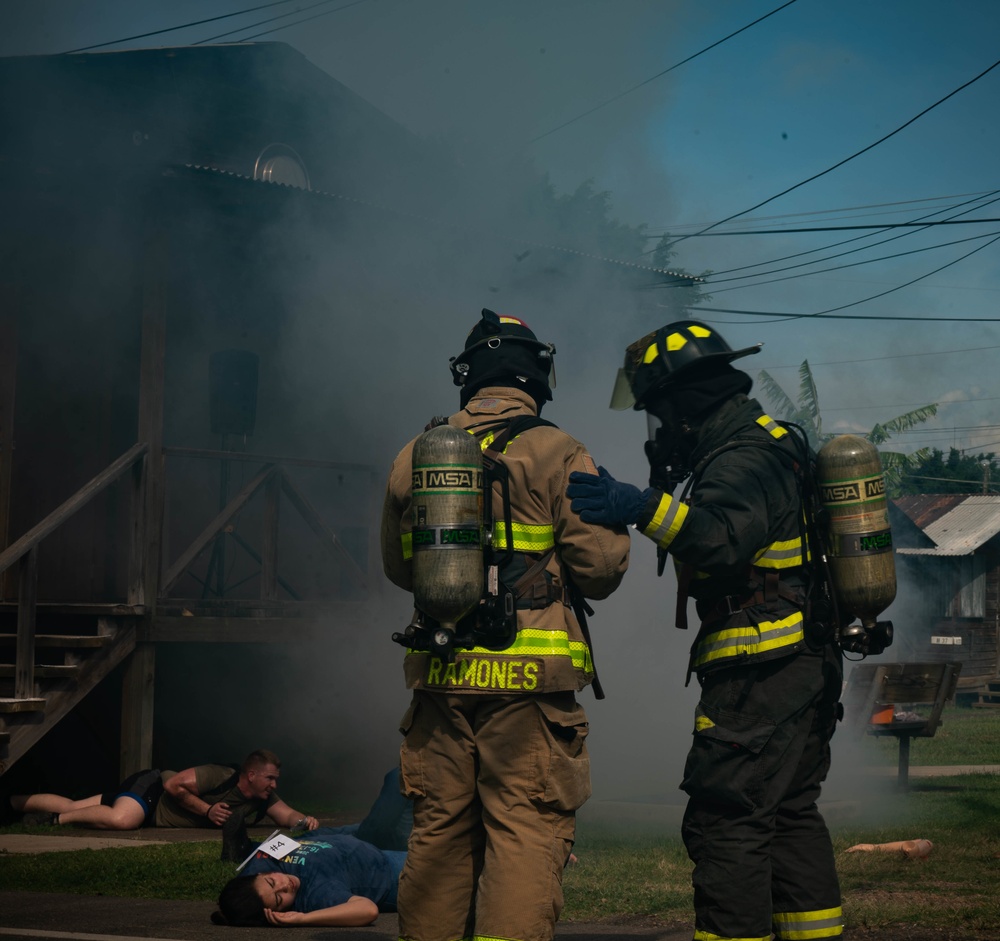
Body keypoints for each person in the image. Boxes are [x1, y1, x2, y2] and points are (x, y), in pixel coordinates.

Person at [567, 320, 845, 941]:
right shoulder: (761, 442)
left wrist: (641, 506)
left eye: (660, 414)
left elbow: (721, 539)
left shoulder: (746, 456)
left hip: (762, 671)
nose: (660, 430)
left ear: (685, 401)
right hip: (796, 668)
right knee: (789, 815)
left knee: (727, 821)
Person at [381, 309, 630, 941]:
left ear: (468, 377)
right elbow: (599, 569)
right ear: (538, 374)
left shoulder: (417, 454)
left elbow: (398, 568)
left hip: (441, 678)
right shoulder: (558, 449)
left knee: (438, 836)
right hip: (529, 687)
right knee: (524, 831)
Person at [9, 748, 318, 835]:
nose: (274, 785)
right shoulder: (221, 775)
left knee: (76, 804)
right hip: (153, 787)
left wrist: (307, 821)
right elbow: (173, 785)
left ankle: (10, 802)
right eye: (270, 778)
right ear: (251, 775)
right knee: (122, 820)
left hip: (153, 812)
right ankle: (53, 822)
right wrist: (207, 811)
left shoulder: (262, 799)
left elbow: (289, 815)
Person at [213, 828, 407, 927]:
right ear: (279, 912)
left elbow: (235, 905)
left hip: (346, 838)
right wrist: (303, 919)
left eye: (272, 881)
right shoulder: (316, 895)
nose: (284, 885)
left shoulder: (256, 875)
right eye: (280, 899)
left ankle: (243, 847)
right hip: (389, 869)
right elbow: (368, 910)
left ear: (260, 874)